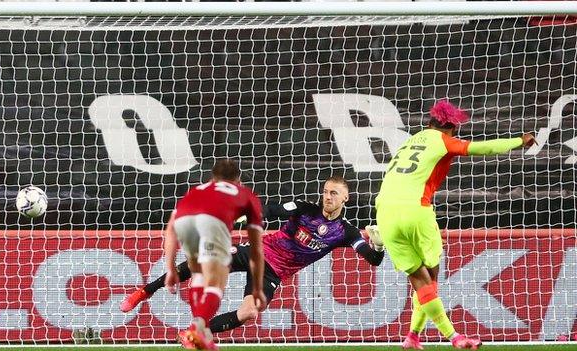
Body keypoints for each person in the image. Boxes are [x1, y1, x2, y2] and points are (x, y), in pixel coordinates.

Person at [121, 176, 385, 334]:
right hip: (258, 252)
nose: (327, 196)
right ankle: (145, 291)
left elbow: (372, 260)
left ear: (345, 198)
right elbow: (272, 210)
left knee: (249, 312)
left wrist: (380, 246)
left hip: (273, 273)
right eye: (326, 191)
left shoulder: (345, 233)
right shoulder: (304, 209)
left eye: (333, 193)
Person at [375, 100, 537, 350]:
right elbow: (485, 148)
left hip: (384, 211)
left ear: (429, 123)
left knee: (418, 279)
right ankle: (455, 338)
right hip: (415, 209)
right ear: (453, 128)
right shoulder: (444, 140)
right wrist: (519, 140)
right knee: (431, 278)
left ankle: (413, 337)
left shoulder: (410, 141)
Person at [161, 159, 266, 351]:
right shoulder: (246, 195)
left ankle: (200, 335)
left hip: (186, 225)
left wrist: (170, 268)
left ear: (214, 178)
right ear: (238, 180)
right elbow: (257, 249)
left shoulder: (196, 190)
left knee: (200, 278)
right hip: (212, 225)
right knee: (216, 283)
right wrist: (257, 287)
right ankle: (197, 331)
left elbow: (171, 230)